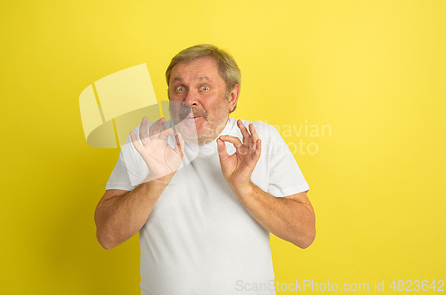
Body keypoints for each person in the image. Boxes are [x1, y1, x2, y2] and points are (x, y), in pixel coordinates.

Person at [94, 44, 316, 295]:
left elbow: (304, 234)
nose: (189, 100)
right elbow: (107, 236)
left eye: (204, 87)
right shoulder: (146, 142)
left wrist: (245, 188)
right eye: (179, 89)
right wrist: (155, 182)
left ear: (231, 97)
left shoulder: (261, 139)